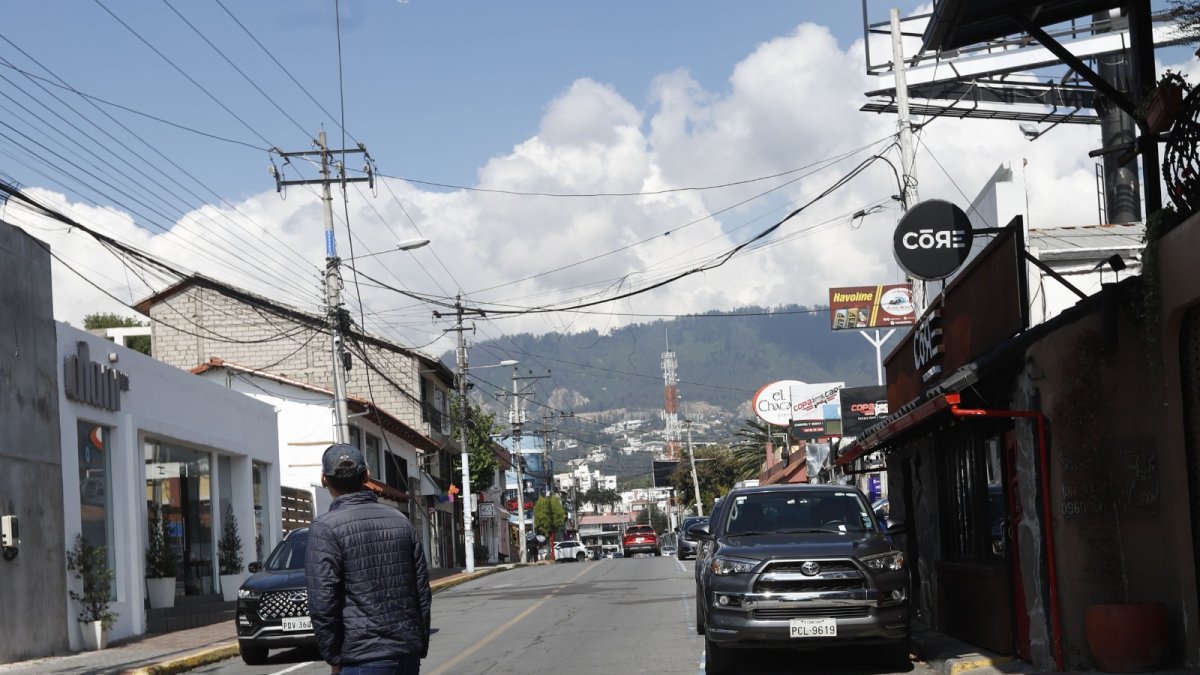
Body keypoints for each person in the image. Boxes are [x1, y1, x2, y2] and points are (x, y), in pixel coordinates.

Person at [305, 443, 432, 675]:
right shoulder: (401, 521)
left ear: (324, 480)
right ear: (367, 475)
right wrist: (418, 645)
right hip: (406, 654)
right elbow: (421, 591)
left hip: (361, 659)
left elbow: (323, 602)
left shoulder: (325, 528)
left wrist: (333, 657)